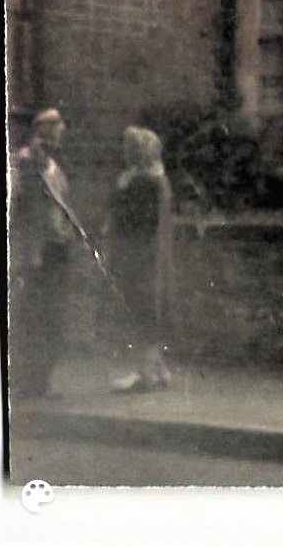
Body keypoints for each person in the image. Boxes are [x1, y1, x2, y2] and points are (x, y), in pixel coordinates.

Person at [9, 108, 79, 399]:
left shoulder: (54, 166)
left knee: (53, 315)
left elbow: (62, 206)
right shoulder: (23, 164)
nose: (61, 132)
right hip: (35, 253)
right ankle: (26, 381)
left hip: (57, 250)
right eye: (57, 127)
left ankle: (40, 380)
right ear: (43, 130)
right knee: (31, 315)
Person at [105, 126, 176, 392]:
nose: (124, 153)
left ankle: (146, 374)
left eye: (129, 148)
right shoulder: (157, 178)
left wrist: (122, 191)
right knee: (150, 308)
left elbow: (133, 221)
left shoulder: (142, 182)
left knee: (143, 308)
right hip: (152, 254)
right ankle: (159, 370)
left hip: (140, 255)